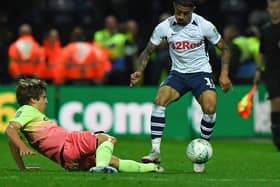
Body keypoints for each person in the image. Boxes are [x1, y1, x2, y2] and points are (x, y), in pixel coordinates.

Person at [130, 0, 232, 173]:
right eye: (178, 12)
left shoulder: (204, 25)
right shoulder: (164, 27)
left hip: (201, 74)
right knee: (159, 100)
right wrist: (139, 71)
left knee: (210, 106)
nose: (181, 16)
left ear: (193, 10)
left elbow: (226, 49)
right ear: (174, 7)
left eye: (185, 13)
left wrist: (224, 74)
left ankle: (201, 153)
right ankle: (155, 152)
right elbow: (148, 51)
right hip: (178, 74)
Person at [5, 78, 164, 173]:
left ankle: (152, 168)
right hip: (68, 142)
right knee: (106, 139)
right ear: (33, 100)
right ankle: (101, 168)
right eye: (44, 97)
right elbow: (10, 130)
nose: (46, 101)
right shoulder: (26, 110)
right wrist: (23, 147)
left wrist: (22, 168)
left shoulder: (31, 117)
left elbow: (11, 141)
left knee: (113, 161)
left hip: (65, 159)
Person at [254, 0, 280, 150]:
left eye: (277, 8)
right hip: (271, 72)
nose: (275, 11)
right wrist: (258, 70)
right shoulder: (266, 30)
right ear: (268, 10)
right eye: (272, 8)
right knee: (276, 102)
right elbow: (261, 51)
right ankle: (277, 137)